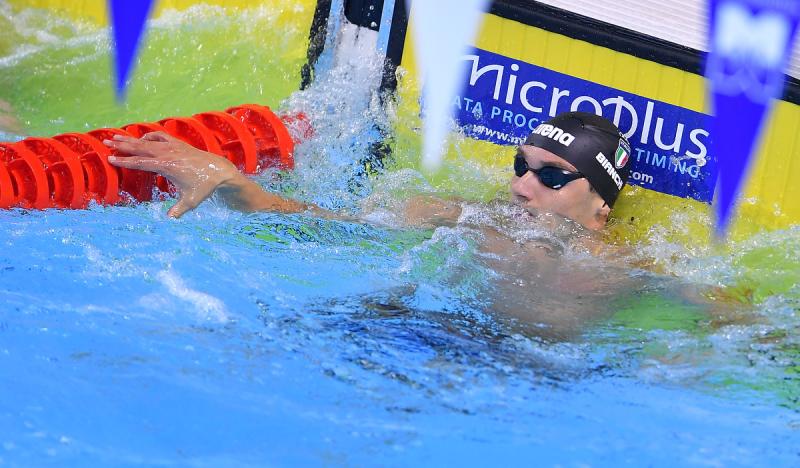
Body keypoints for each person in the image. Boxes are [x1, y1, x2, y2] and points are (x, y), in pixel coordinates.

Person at [102, 111, 633, 229]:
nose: (521, 185)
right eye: (521, 165)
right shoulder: (457, 216)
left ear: (601, 205)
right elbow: (320, 222)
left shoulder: (625, 271)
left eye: (553, 176)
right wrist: (233, 182)